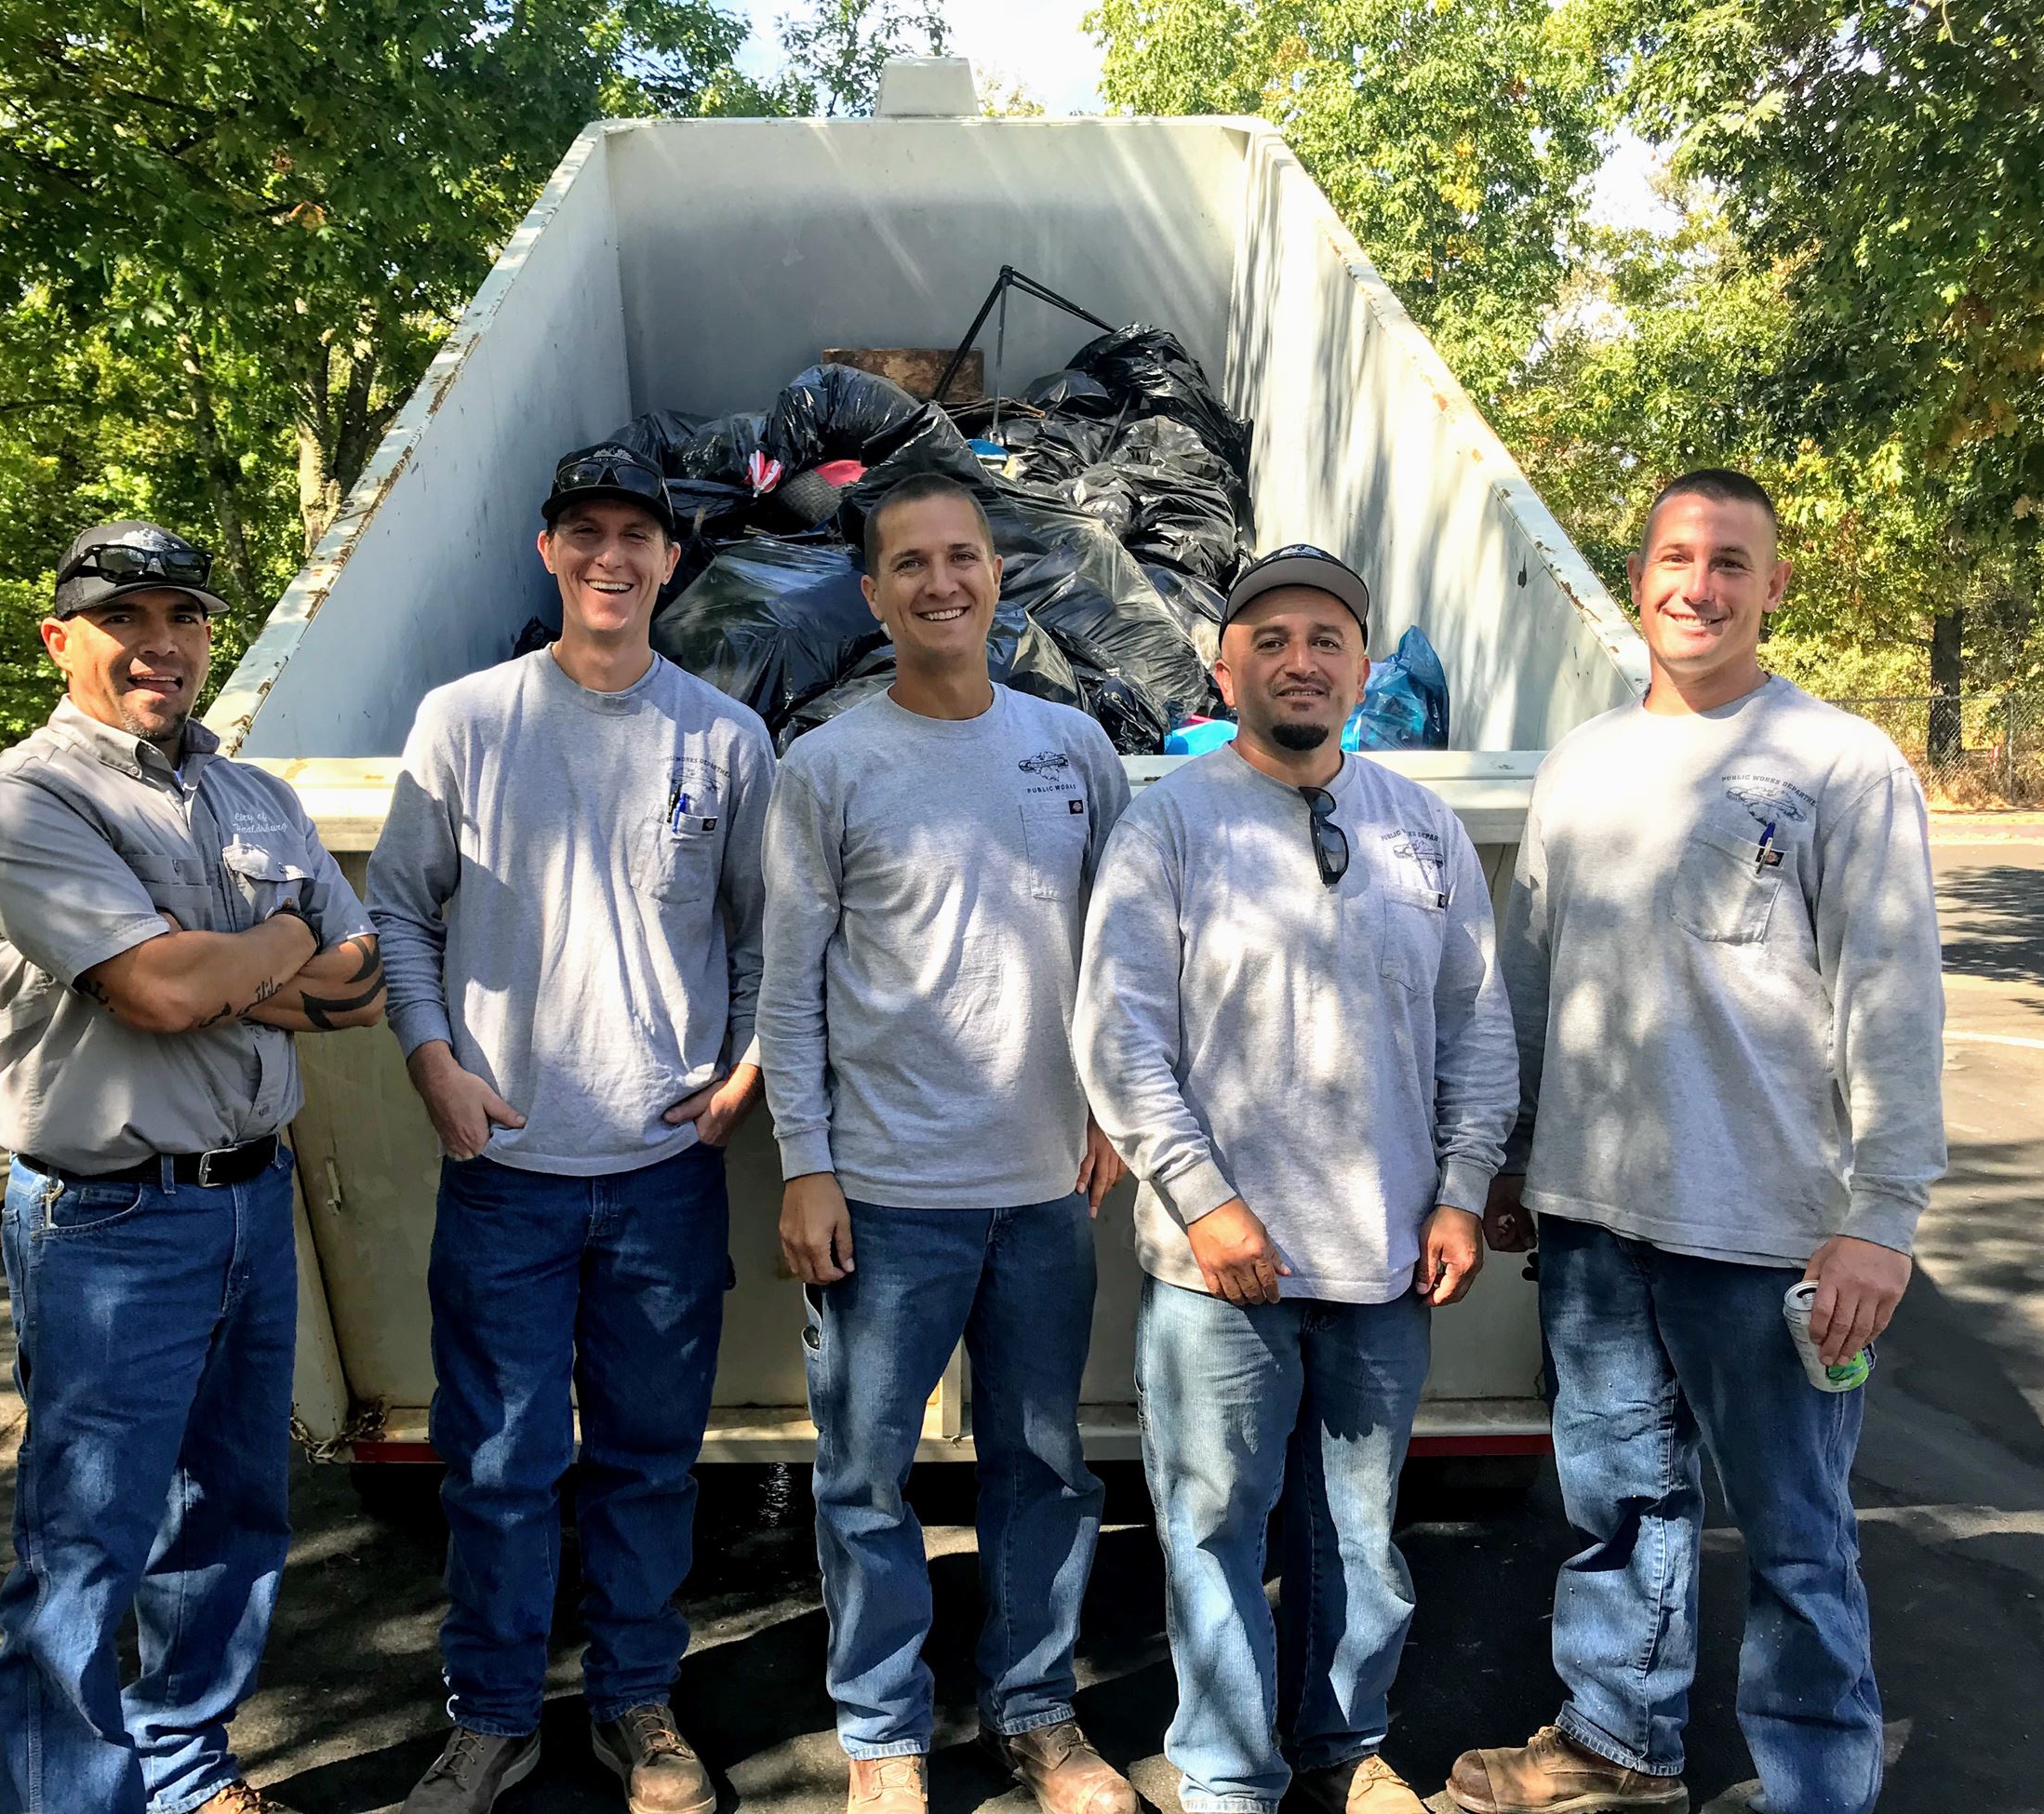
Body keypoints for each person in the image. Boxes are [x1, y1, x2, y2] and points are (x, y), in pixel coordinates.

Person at [1443, 471, 1944, 1814]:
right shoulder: (1585, 764)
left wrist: (1882, 1214)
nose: (1700, 584)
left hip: (1775, 1237)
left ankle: (1819, 1787)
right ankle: (1619, 1748)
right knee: (1618, 1513)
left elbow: (1894, 997)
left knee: (1798, 1543)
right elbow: (1529, 981)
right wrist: (1504, 1154)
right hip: (1598, 1225)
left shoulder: (1841, 763)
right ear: (1641, 568)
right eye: (1677, 555)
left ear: (1775, 585)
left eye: (1733, 560)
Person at [0, 520, 387, 1814]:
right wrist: (278, 931)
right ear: (60, 638)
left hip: (250, 1198)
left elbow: (357, 990)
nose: (160, 643)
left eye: (182, 615)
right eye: (126, 617)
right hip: (109, 1220)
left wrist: (213, 964)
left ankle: (188, 1774)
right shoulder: (26, 801)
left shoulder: (254, 794)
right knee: (84, 1548)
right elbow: (160, 989)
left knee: (231, 1517)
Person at [1074, 545, 1518, 1814]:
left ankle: (1345, 1744)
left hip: (1381, 1261)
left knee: (1359, 1540)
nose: (1301, 659)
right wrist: (1203, 1200)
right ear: (1226, 668)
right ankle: (1224, 1772)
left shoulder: (1420, 827)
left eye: (1327, 637)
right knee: (1213, 1528)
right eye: (1270, 638)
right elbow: (1118, 1035)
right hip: (1218, 1270)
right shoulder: (1167, 824)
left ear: (1362, 668)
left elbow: (1473, 1024)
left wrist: (1458, 1184)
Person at [367, 447, 773, 1814]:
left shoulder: (727, 737)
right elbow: (402, 913)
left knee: (651, 1462)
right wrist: (431, 1059)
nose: (612, 556)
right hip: (507, 1176)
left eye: (637, 536)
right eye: (584, 532)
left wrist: (746, 1069)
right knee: (496, 1466)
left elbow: (772, 933)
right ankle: (488, 1718)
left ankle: (638, 1706)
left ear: (671, 561)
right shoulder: (466, 722)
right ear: (549, 553)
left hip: (666, 1175)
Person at [760, 472, 1137, 1814]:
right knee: (867, 1479)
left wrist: (1112, 1111)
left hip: (1043, 1192)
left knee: (1041, 1466)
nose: (940, 583)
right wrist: (805, 1160)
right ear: (871, 594)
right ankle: (883, 1735)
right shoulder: (828, 769)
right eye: (908, 563)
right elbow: (790, 983)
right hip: (885, 1197)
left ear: (997, 575)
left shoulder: (1071, 747)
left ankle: (1038, 1713)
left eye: (961, 557)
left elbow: (1122, 960)